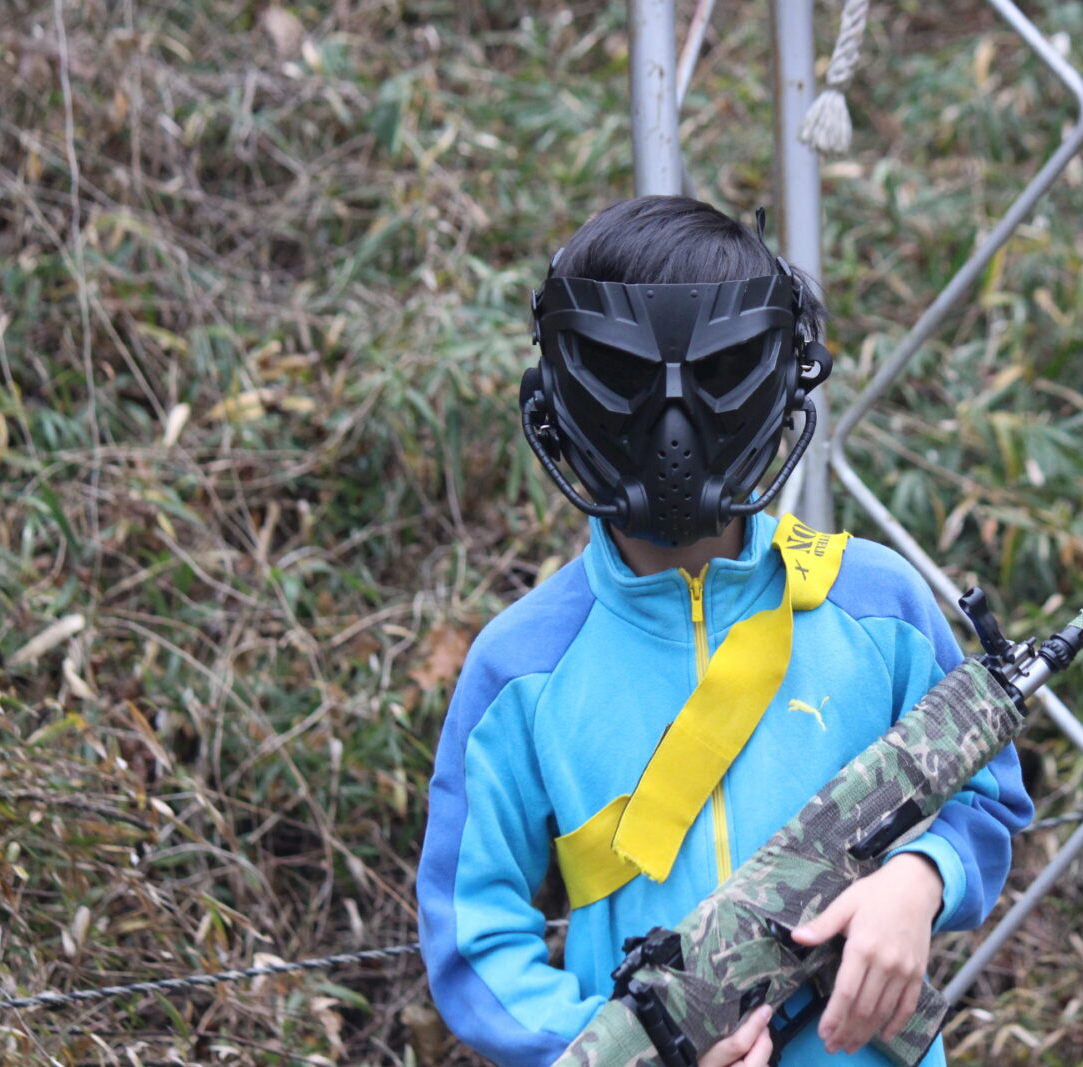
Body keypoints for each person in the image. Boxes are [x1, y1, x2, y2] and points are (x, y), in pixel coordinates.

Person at [417, 196, 1033, 1067]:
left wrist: (922, 877)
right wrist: (627, 1048)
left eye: (716, 372)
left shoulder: (876, 603)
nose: (673, 425)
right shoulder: (520, 667)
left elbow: (988, 795)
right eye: (626, 375)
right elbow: (470, 934)